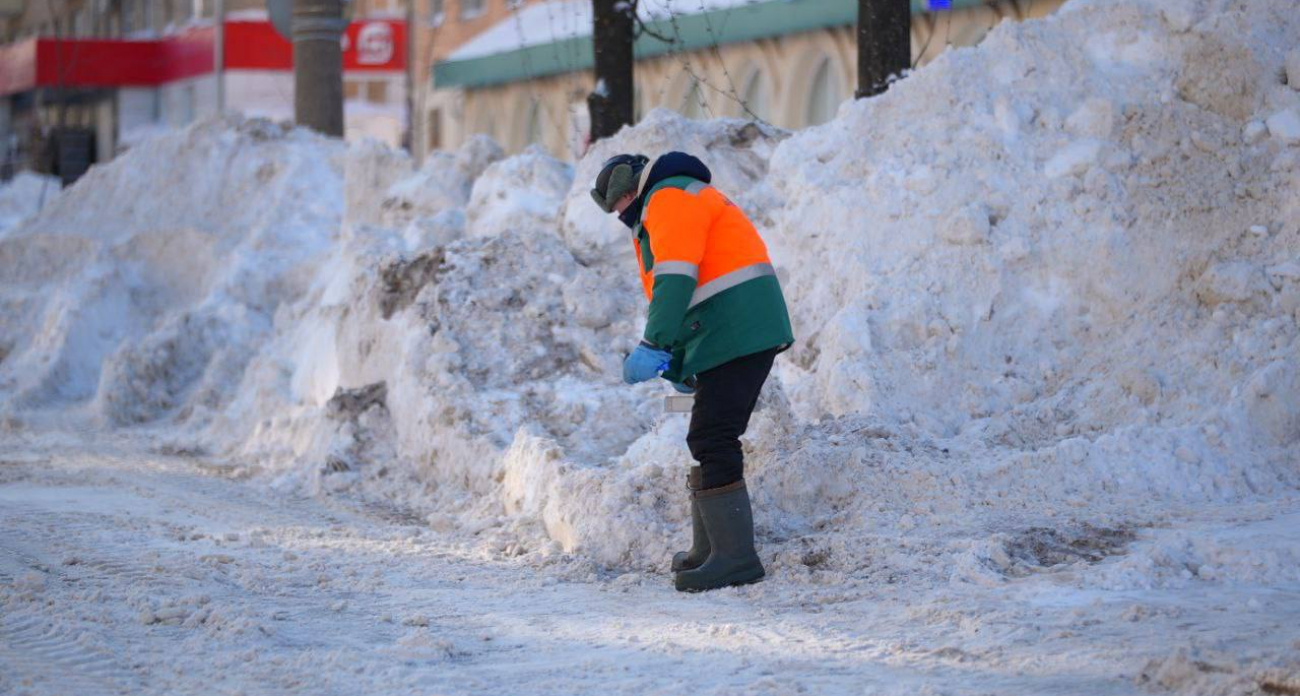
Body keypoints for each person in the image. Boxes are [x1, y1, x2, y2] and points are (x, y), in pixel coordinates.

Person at [590, 151, 794, 592]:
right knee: (708, 433)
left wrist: (653, 344)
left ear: (634, 186)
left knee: (713, 436)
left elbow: (677, 279)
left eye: (622, 199)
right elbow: (692, 291)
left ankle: (736, 558)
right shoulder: (668, 201)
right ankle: (712, 550)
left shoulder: (668, 197)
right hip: (732, 329)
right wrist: (682, 361)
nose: (621, 211)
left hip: (742, 329)